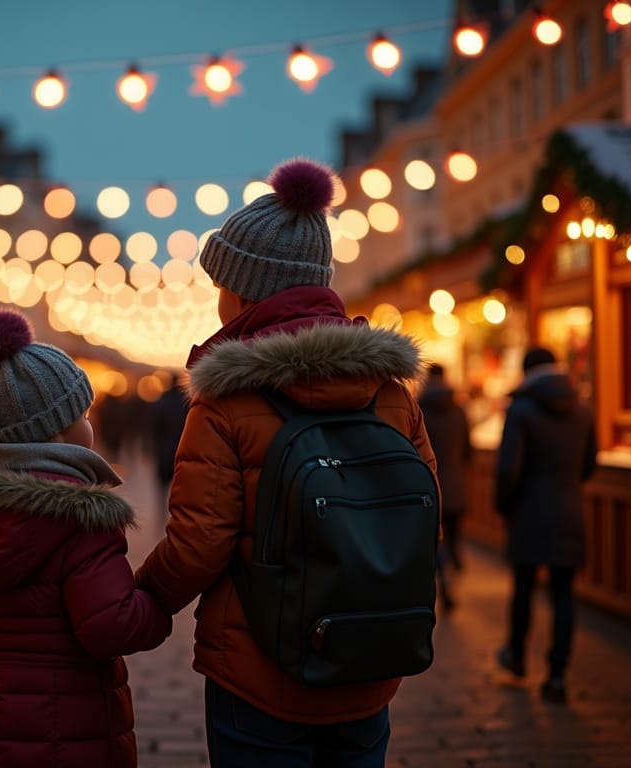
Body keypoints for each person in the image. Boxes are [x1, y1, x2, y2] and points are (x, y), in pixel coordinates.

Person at [135, 157, 437, 768]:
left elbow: (199, 542)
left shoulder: (224, 399)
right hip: (368, 656)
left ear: (245, 289)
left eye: (222, 283)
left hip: (259, 671)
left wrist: (142, 602)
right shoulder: (389, 389)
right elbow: (423, 502)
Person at [0, 308, 171, 768]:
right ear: (57, 430)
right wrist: (161, 602)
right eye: (82, 413)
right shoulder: (82, 518)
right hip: (74, 734)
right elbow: (111, 625)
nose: (91, 423)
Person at [494, 346, 597, 704]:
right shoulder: (583, 410)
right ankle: (557, 674)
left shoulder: (521, 410)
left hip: (528, 512)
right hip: (569, 511)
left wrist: (503, 507)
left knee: (523, 588)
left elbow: (509, 469)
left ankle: (518, 657)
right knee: (563, 594)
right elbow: (589, 465)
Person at [418, 362, 472, 610]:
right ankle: (452, 565)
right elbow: (468, 451)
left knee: (435, 539)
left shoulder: (419, 410)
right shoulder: (459, 410)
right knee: (452, 536)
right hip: (456, 485)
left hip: (429, 485)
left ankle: (444, 579)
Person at [146, 372, 188, 519]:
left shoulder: (161, 401)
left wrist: (150, 448)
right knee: (180, 488)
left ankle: (161, 513)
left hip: (163, 451)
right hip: (182, 452)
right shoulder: (186, 403)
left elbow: (153, 427)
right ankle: (176, 516)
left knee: (162, 488)